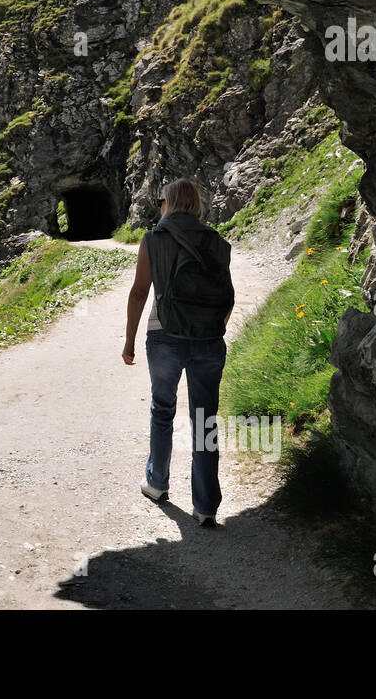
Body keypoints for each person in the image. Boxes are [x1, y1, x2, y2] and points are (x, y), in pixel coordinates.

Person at [121, 178, 234, 527]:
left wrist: (128, 342)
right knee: (205, 419)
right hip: (208, 341)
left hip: (164, 336)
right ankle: (206, 507)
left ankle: (157, 483)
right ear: (196, 204)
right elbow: (227, 297)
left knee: (163, 408)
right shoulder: (216, 242)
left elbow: (140, 293)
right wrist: (214, 331)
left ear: (168, 203)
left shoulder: (154, 240)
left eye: (160, 201)